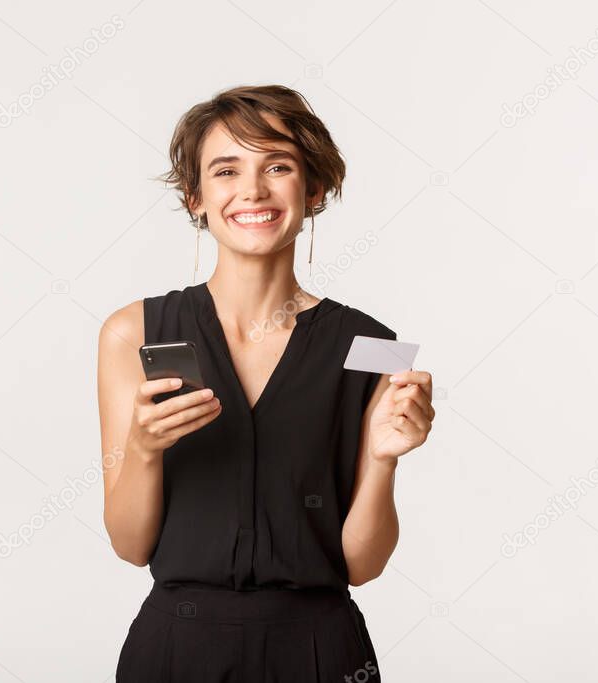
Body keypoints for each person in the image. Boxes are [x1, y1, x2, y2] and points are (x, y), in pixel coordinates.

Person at [97, 84, 434, 682]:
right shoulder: (133, 332)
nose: (252, 190)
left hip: (320, 652)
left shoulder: (371, 347)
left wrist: (383, 461)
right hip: (176, 650)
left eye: (277, 166)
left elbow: (361, 565)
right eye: (226, 171)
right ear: (196, 198)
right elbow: (130, 546)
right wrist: (144, 451)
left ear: (313, 190)